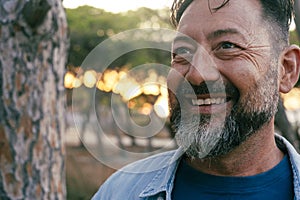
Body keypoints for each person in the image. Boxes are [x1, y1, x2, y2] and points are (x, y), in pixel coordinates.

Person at [92, 0, 300, 199]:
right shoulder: (119, 192)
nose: (197, 75)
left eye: (227, 46)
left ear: (286, 70)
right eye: (182, 52)